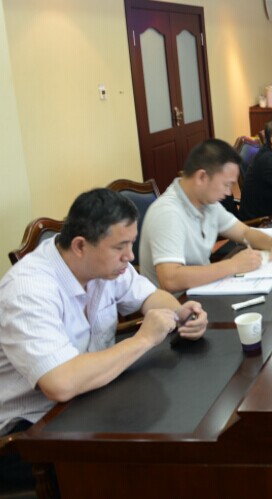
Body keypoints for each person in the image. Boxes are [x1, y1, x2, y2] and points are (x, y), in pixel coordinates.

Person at [0, 189, 208, 485]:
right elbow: (60, 384)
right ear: (80, 246)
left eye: (131, 243)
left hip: (90, 401)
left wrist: (179, 314)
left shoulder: (104, 265)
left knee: (179, 427)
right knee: (152, 468)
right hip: (29, 433)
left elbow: (151, 297)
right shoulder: (28, 291)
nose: (130, 256)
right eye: (120, 247)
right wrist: (142, 340)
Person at [139, 139, 272, 291]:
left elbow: (244, 233)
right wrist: (233, 265)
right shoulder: (168, 213)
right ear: (202, 177)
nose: (229, 192)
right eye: (226, 184)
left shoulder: (207, 203)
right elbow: (170, 279)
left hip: (203, 290)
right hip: (176, 305)